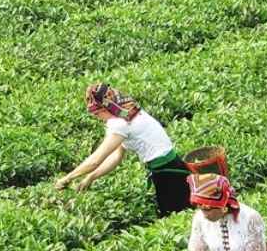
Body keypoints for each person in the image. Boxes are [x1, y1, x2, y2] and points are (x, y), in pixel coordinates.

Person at [54, 83, 190, 217]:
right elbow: (116, 157)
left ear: (105, 108)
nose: (97, 118)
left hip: (168, 172)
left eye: (97, 113)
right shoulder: (128, 112)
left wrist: (67, 178)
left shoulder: (120, 123)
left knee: (173, 214)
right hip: (170, 166)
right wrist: (91, 177)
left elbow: (95, 161)